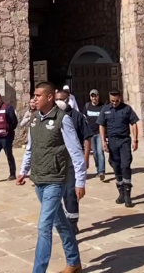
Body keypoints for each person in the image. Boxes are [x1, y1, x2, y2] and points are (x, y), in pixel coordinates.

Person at [17, 82, 86, 273]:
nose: (34, 98)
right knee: (60, 222)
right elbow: (31, 147)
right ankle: (74, 262)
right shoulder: (34, 119)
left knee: (44, 227)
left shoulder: (62, 119)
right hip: (39, 179)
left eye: (38, 95)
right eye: (34, 95)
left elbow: (76, 152)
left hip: (56, 180)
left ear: (49, 98)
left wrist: (80, 181)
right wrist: (24, 170)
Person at [56, 88, 92, 235]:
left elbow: (87, 137)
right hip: (57, 161)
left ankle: (72, 223)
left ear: (68, 100)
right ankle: (61, 220)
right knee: (57, 192)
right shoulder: (52, 116)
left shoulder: (77, 116)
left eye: (61, 99)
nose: (58, 102)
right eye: (56, 99)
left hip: (72, 161)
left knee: (71, 193)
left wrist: (85, 158)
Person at [97, 90, 139, 207]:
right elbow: (101, 125)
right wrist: (103, 141)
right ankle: (121, 192)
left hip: (124, 140)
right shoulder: (105, 109)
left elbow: (134, 123)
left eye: (116, 101)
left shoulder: (127, 109)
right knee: (116, 167)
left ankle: (127, 195)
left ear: (120, 98)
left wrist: (135, 140)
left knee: (125, 165)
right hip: (112, 141)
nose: (114, 103)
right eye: (112, 101)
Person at [83, 89, 105, 181]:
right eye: (92, 96)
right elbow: (83, 118)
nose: (94, 98)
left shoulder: (103, 107)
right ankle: (98, 169)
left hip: (99, 133)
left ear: (98, 96)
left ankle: (101, 171)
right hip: (90, 133)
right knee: (95, 153)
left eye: (95, 96)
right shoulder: (87, 106)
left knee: (100, 152)